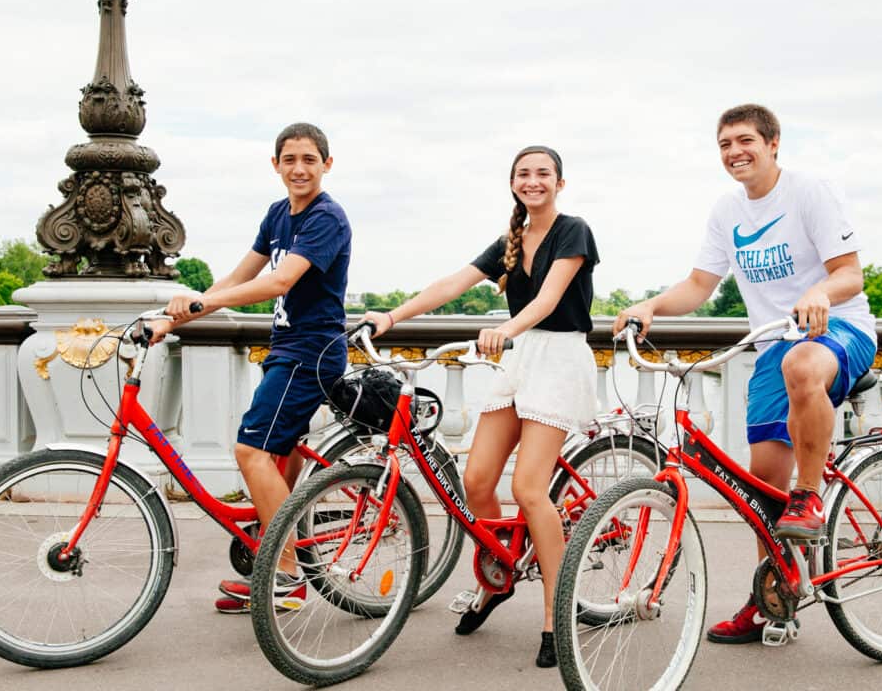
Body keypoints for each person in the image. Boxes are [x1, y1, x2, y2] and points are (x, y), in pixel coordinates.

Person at [615, 104, 877, 645]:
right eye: (725, 144)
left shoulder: (810, 191)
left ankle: (811, 493)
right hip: (771, 346)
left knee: (801, 364)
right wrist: (652, 306)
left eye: (745, 140)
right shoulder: (727, 210)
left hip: (839, 330)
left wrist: (818, 293)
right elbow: (698, 285)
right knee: (761, 492)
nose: (735, 152)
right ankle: (773, 600)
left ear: (774, 142)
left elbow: (849, 273)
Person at [364, 145, 598, 669]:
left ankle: (555, 616)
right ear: (512, 182)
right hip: (518, 361)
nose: (533, 181)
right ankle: (498, 577)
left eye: (543, 174)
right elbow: (454, 283)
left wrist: (504, 329)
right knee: (476, 482)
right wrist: (391, 317)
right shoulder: (510, 241)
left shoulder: (573, 230)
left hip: (557, 358)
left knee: (529, 489)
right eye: (523, 174)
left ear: (560, 182)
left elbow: (549, 300)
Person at [146, 122, 352, 613]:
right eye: (289, 160)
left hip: (311, 352)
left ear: (326, 164)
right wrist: (178, 315)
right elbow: (241, 276)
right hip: (286, 348)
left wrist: (196, 307)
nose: (298, 168)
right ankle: (277, 547)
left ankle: (284, 577)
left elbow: (279, 282)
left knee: (250, 450)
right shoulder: (278, 214)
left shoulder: (328, 217)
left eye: (308, 159)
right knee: (276, 455)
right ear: (276, 166)